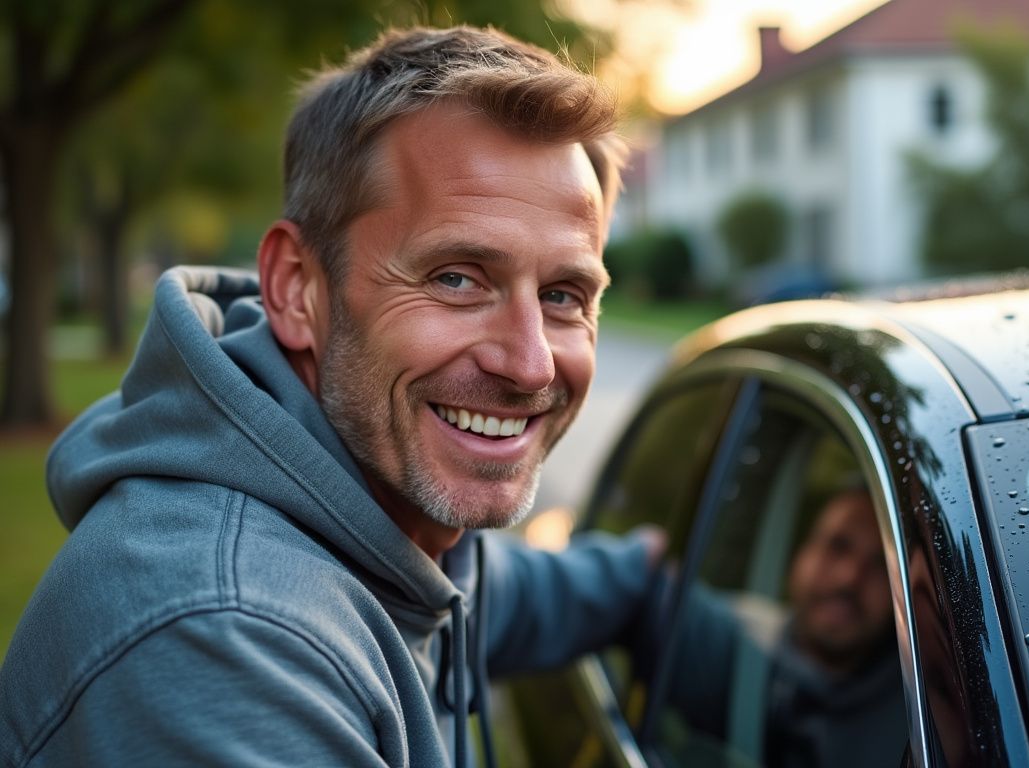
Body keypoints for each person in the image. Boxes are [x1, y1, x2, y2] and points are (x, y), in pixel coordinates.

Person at [0, 26, 659, 768]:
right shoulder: (228, 639)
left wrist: (663, 577)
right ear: (296, 288)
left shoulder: (383, 520)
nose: (532, 365)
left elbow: (509, 593)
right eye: (456, 278)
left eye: (565, 295)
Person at [664, 487, 908, 766]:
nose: (850, 578)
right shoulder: (737, 639)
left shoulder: (918, 721)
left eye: (881, 565)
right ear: (801, 553)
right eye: (838, 546)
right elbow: (646, 591)